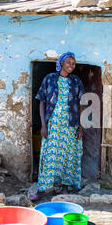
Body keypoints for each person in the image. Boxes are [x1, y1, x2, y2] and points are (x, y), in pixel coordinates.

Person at [30, 52, 85, 201]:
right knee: (49, 156)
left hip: (70, 125)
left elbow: (80, 105)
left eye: (73, 64)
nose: (71, 66)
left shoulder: (76, 81)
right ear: (61, 63)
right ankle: (42, 189)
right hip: (53, 124)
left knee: (68, 155)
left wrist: (80, 126)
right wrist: (43, 125)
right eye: (68, 63)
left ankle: (65, 187)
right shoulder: (50, 79)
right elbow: (41, 101)